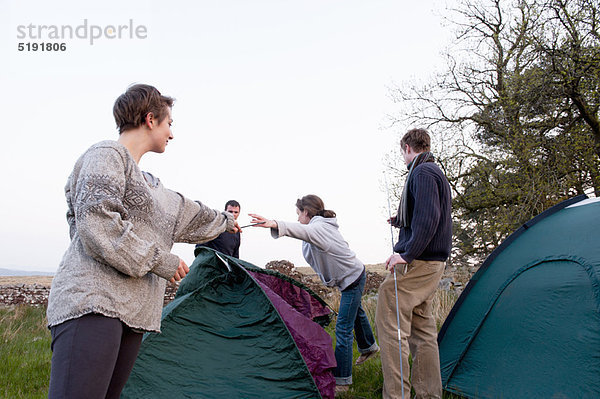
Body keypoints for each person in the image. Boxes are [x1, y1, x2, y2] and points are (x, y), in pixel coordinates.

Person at [46, 84, 240, 399]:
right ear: (150, 119)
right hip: (94, 302)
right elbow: (98, 225)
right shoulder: (106, 155)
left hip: (134, 317)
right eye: (169, 124)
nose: (172, 133)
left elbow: (194, 214)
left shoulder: (158, 193)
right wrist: (162, 261)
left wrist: (229, 222)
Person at [249, 195, 379, 393]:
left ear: (306, 212)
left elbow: (302, 230)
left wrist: (273, 223)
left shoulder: (319, 228)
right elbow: (306, 234)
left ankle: (343, 381)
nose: (298, 218)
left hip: (352, 278)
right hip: (350, 277)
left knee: (343, 329)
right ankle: (369, 347)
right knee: (356, 313)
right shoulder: (319, 228)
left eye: (298, 214)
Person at [376, 128, 452, 399]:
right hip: (433, 264)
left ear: (408, 147)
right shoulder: (434, 171)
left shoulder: (422, 173)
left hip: (419, 263)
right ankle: (429, 394)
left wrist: (406, 255)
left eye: (402, 152)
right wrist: (399, 220)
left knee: (390, 321)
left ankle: (397, 395)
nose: (403, 157)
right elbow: (428, 213)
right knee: (422, 330)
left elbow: (429, 218)